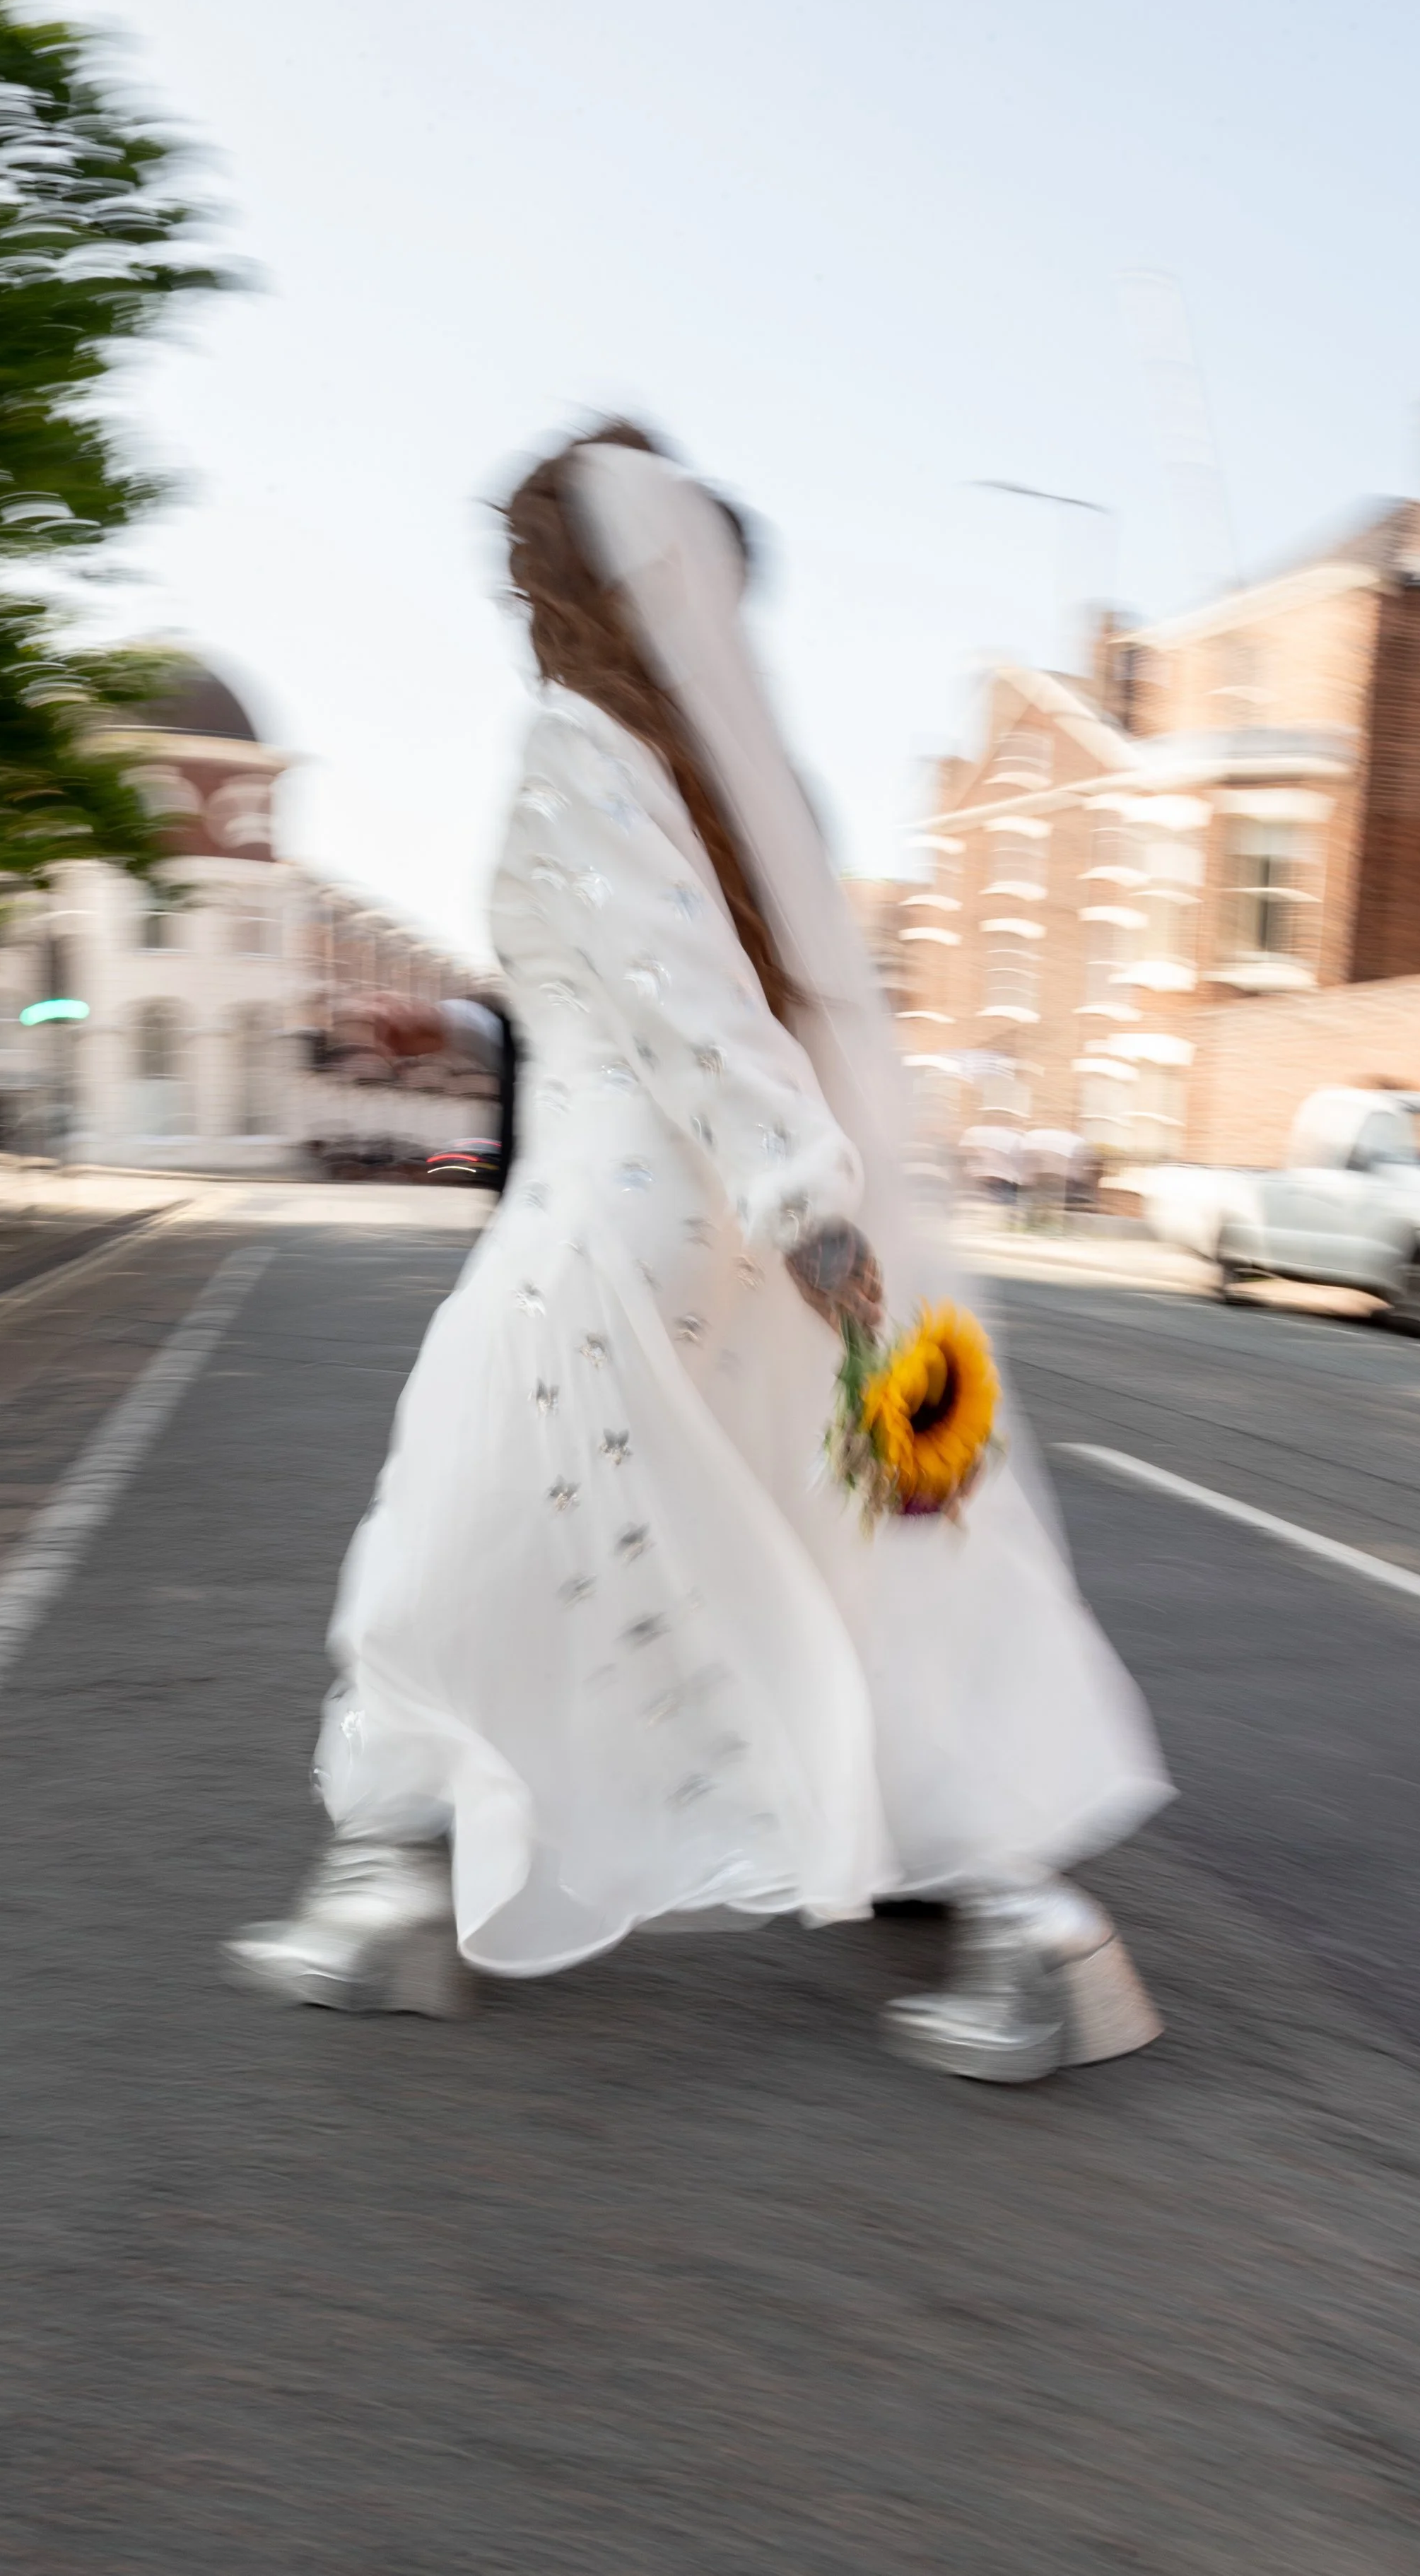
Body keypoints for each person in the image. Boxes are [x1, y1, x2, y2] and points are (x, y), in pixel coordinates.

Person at [225, 424, 1171, 2081]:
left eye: (523, 572)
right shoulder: (744, 788)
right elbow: (650, 991)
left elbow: (688, 1011)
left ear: (575, 589)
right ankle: (1031, 1928)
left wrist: (808, 1214)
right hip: (739, 1233)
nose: (512, 603)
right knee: (841, 1560)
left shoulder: (573, 745)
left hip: (611, 1240)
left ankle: (386, 1892)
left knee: (446, 1547)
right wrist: (813, 1227)